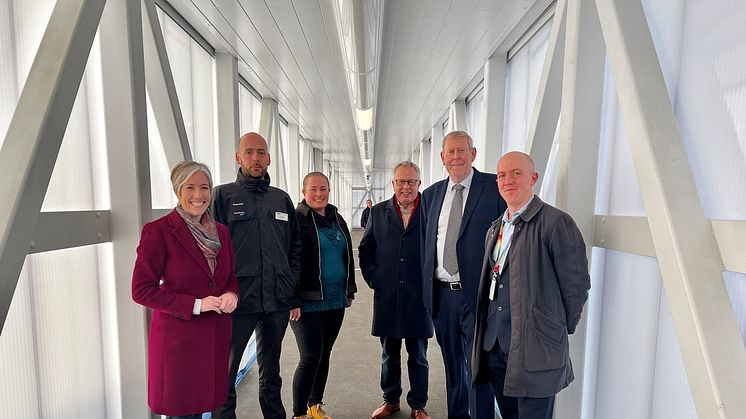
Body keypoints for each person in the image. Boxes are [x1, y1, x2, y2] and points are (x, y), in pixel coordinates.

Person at [472, 151, 591, 419]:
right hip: (496, 348)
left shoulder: (557, 223)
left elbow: (576, 287)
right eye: (502, 175)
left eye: (516, 173)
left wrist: (553, 329)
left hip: (535, 351)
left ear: (533, 178)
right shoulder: (496, 228)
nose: (507, 180)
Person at [132, 161, 239, 418]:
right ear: (178, 191)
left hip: (213, 337)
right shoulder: (158, 231)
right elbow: (141, 289)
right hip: (179, 343)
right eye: (190, 187)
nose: (199, 195)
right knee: (183, 412)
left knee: (207, 406)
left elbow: (230, 276)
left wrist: (231, 294)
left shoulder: (221, 233)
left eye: (204, 187)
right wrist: (196, 304)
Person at [211, 132, 302, 419]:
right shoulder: (223, 196)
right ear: (238, 157)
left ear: (269, 158)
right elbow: (212, 248)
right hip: (237, 302)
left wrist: (290, 288)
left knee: (272, 374)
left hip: (275, 300)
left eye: (261, 152)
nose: (255, 158)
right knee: (225, 374)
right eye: (249, 152)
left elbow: (294, 247)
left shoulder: (281, 199)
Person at [421, 131, 506, 419]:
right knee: (453, 368)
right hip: (442, 296)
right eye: (450, 152)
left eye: (462, 151)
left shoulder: (493, 188)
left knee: (479, 369)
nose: (456, 156)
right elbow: (427, 244)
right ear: (442, 158)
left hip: (478, 296)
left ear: (474, 153)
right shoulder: (431, 195)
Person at [359, 161, 433, 419]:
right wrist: (375, 279)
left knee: (419, 355)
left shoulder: (430, 211)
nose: (406, 186)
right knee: (389, 354)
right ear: (393, 184)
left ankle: (418, 404)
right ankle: (390, 400)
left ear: (419, 184)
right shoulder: (378, 212)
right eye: (401, 181)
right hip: (388, 295)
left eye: (411, 181)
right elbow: (366, 248)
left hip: (419, 296)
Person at [290, 171, 357, 419]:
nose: (319, 194)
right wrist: (292, 299)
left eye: (323, 189)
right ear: (303, 191)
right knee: (310, 357)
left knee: (324, 355)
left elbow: (347, 253)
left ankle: (314, 405)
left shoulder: (336, 218)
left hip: (335, 299)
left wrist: (349, 288)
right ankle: (299, 413)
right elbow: (289, 261)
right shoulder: (297, 220)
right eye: (313, 189)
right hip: (306, 301)